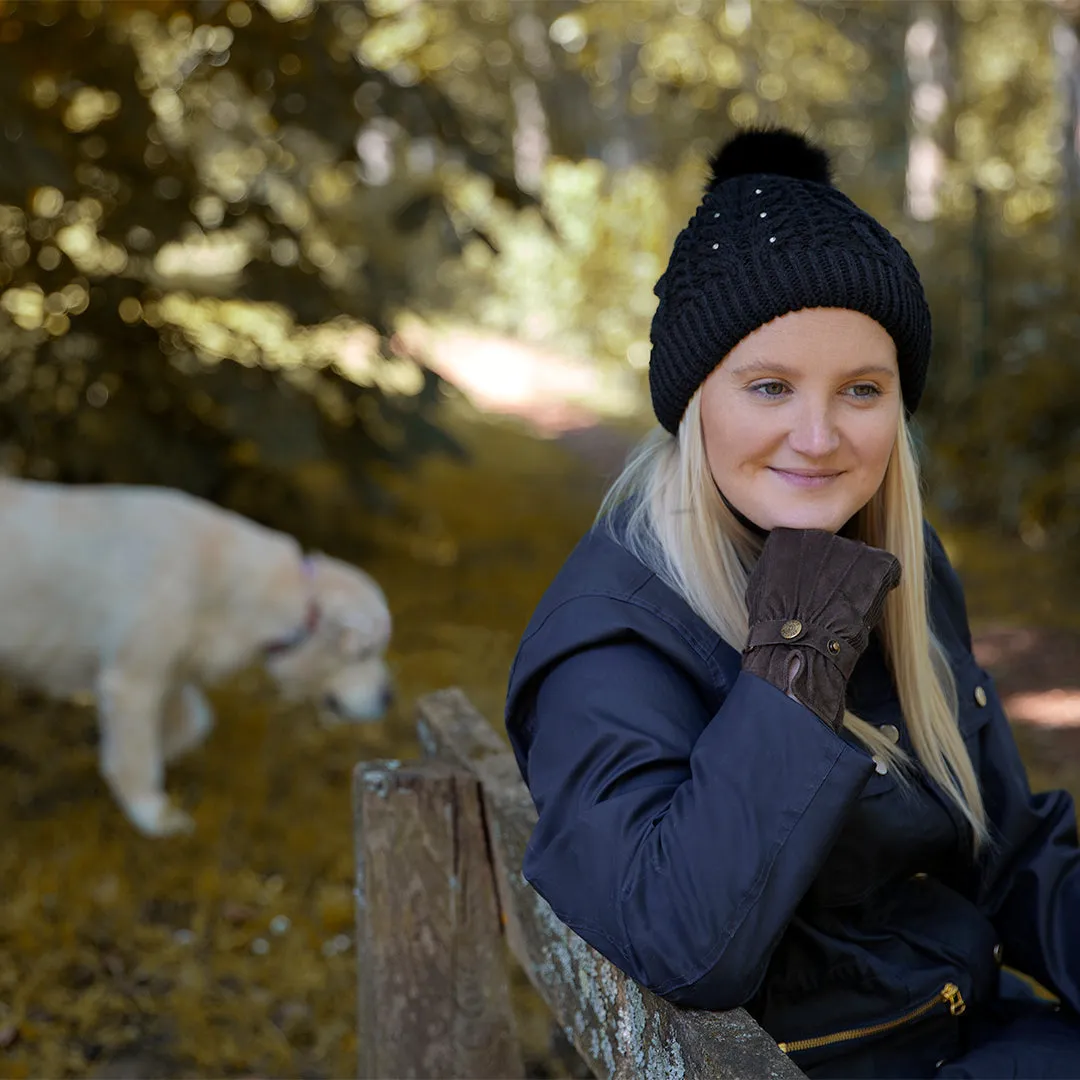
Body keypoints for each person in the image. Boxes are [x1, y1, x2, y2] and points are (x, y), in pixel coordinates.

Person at [503, 128, 1080, 1079]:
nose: (817, 436)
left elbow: (1007, 847)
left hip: (953, 1019)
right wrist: (798, 642)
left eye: (862, 389)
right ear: (695, 401)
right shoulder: (611, 637)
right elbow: (689, 940)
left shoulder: (902, 564)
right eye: (769, 386)